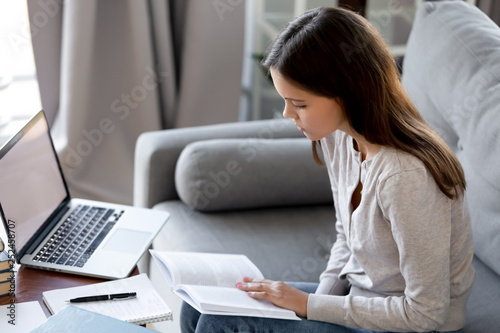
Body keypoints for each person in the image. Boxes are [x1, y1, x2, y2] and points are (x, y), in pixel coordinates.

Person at [180, 6, 475, 333]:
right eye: (286, 100)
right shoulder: (338, 137)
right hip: (364, 298)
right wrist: (311, 311)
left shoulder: (404, 176)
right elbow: (347, 240)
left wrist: (307, 306)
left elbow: (426, 313)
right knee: (199, 304)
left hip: (409, 324)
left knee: (216, 322)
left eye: (300, 104)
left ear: (348, 93)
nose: (287, 114)